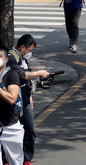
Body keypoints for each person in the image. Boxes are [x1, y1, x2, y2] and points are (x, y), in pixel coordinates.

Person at [7, 36, 48, 165]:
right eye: (29, 50)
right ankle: (8, 159)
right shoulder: (11, 58)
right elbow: (22, 75)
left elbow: (27, 80)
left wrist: (30, 95)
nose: (30, 53)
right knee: (12, 132)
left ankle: (27, 159)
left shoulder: (23, 59)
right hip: (13, 101)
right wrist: (39, 72)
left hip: (25, 99)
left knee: (29, 130)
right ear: (23, 47)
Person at [0, 46, 25, 165]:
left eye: (0, 57)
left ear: (6, 60)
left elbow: (11, 99)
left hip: (10, 125)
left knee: (15, 161)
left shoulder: (12, 75)